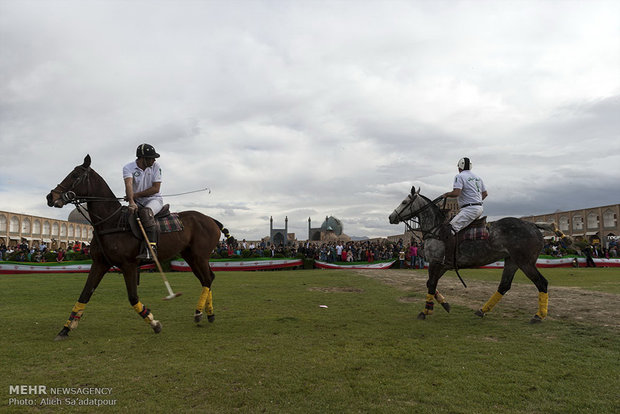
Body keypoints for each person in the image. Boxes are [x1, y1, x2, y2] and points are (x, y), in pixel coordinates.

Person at [440, 157, 488, 264]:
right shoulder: (478, 177)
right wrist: (476, 201)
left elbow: (456, 193)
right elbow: (485, 194)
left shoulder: (459, 176)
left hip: (469, 209)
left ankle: (449, 259)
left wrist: (446, 194)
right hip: (479, 208)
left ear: (460, 167)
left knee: (449, 231)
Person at [123, 143, 164, 261]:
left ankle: (151, 249)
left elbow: (156, 188)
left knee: (146, 213)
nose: (154, 160)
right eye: (151, 157)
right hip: (136, 202)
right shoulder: (128, 168)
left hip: (154, 199)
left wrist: (134, 196)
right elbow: (129, 184)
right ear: (143, 158)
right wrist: (131, 201)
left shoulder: (156, 166)